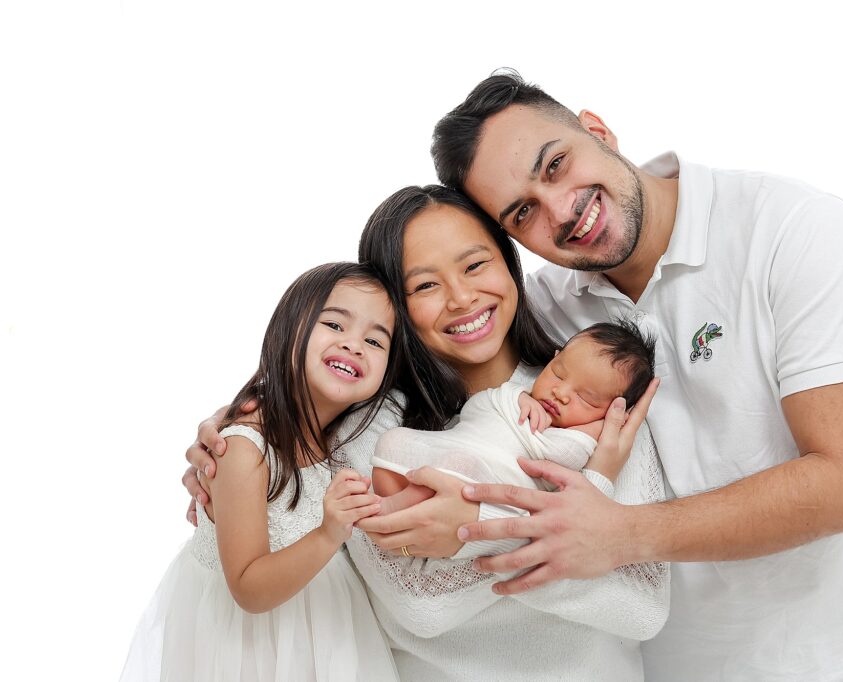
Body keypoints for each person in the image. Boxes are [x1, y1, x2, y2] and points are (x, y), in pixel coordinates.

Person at [426, 71, 843, 681]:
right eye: (523, 212)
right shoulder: (545, 311)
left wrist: (620, 533)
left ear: (597, 130)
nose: (561, 209)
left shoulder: (792, 229)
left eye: (555, 165)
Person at [185, 185, 670, 681]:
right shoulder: (366, 433)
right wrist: (240, 439)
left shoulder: (595, 403)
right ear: (394, 307)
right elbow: (418, 607)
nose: (461, 298)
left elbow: (645, 604)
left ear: (508, 261)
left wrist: (485, 528)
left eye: (475, 265)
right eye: (424, 286)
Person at [123, 263, 401, 681]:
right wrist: (328, 533)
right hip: (250, 650)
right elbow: (248, 589)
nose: (354, 345)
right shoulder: (242, 448)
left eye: (375, 340)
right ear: (289, 329)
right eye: (334, 324)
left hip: (325, 636)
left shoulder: (346, 443)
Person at [370, 319, 656, 502]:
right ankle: (392, 502)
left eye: (587, 399)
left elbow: (564, 456)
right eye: (558, 373)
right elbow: (474, 410)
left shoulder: (577, 440)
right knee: (393, 441)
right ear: (553, 360)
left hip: (479, 484)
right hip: (448, 448)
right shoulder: (517, 393)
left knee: (460, 467)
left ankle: (396, 511)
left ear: (612, 413)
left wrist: (598, 429)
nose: (561, 393)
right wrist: (517, 397)